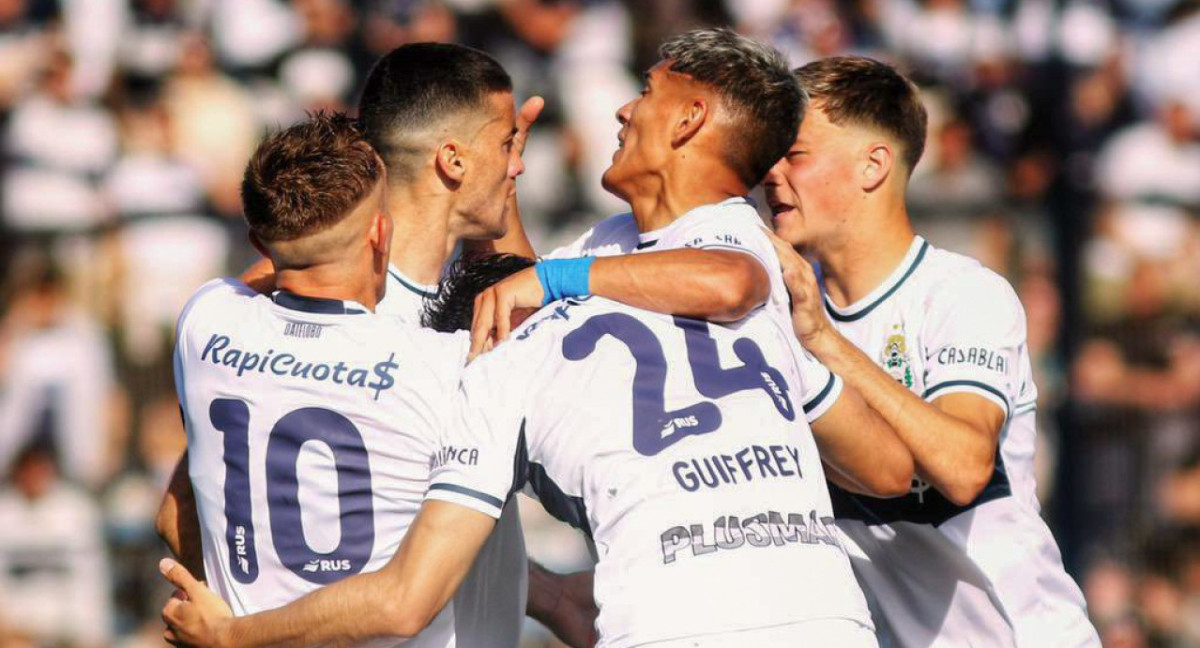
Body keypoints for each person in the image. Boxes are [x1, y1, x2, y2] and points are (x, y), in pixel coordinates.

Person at [160, 252, 914, 648]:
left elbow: (182, 514)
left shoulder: (213, 324)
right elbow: (888, 471)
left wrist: (237, 631)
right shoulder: (485, 370)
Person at [762, 56, 1100, 648]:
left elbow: (965, 467)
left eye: (794, 154)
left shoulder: (962, 295)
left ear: (874, 166)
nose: (770, 173)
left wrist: (824, 342)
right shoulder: (774, 316)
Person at [167, 112, 520, 648]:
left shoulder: (206, 323)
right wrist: (231, 637)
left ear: (261, 244)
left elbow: (174, 510)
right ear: (382, 233)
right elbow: (403, 608)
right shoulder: (450, 368)